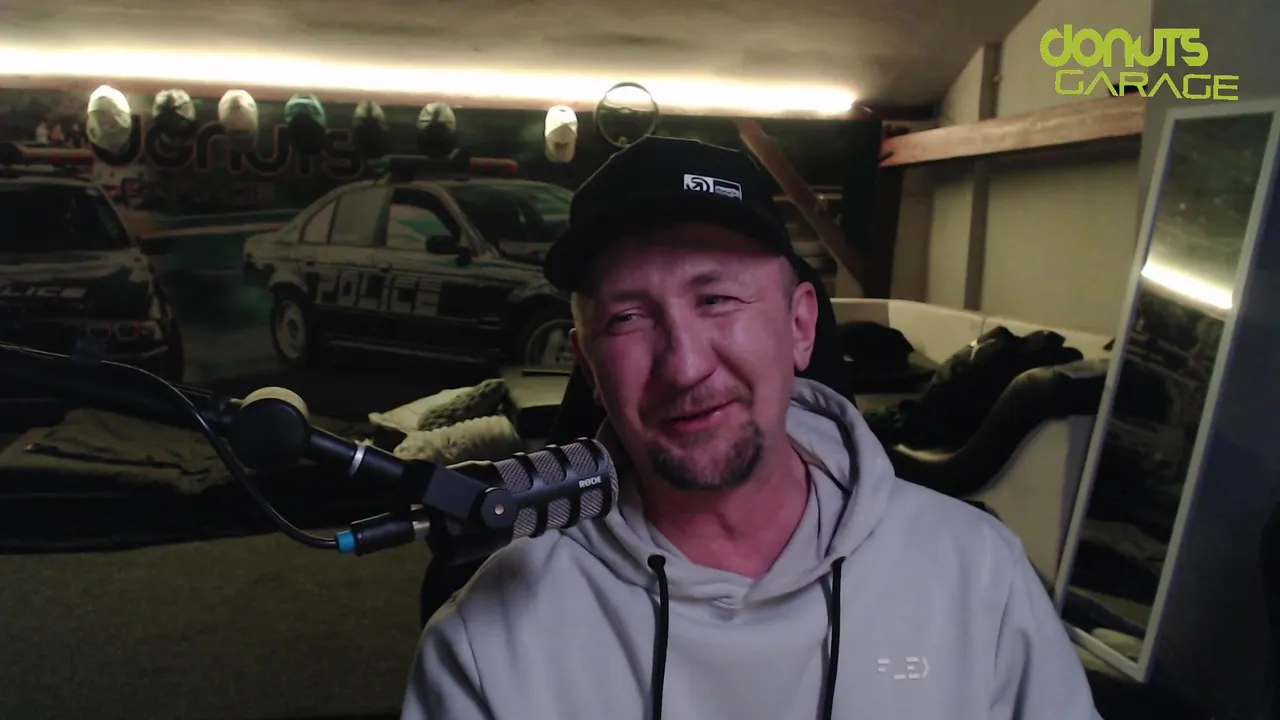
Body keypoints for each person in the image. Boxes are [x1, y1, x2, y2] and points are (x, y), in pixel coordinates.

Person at [402, 136, 1101, 720]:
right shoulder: (486, 642)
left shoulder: (977, 574)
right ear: (588, 367)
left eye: (716, 299)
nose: (685, 365)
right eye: (627, 318)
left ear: (800, 326)